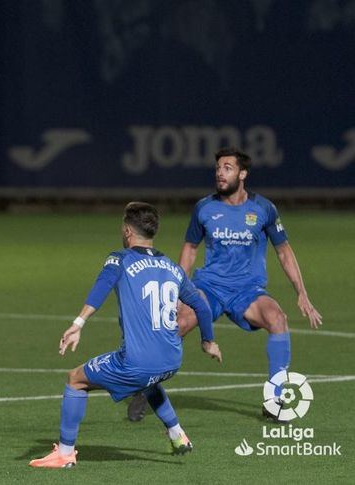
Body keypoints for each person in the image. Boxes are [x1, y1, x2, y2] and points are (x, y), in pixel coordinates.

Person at [127, 147, 323, 423]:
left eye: (227, 168)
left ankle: (275, 398)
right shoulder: (204, 208)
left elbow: (283, 252)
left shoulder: (263, 209)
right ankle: (145, 387)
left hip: (248, 291)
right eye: (218, 167)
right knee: (177, 322)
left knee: (277, 318)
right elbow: (190, 250)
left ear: (243, 174)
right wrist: (177, 293)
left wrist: (301, 292)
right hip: (210, 288)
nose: (220, 172)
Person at [29, 202, 221, 469]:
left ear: (128, 231)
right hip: (171, 361)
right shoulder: (172, 267)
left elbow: (102, 286)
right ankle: (177, 434)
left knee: (75, 379)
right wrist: (208, 342)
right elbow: (200, 304)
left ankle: (64, 453)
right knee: (149, 381)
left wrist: (78, 323)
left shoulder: (120, 259)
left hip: (138, 362)